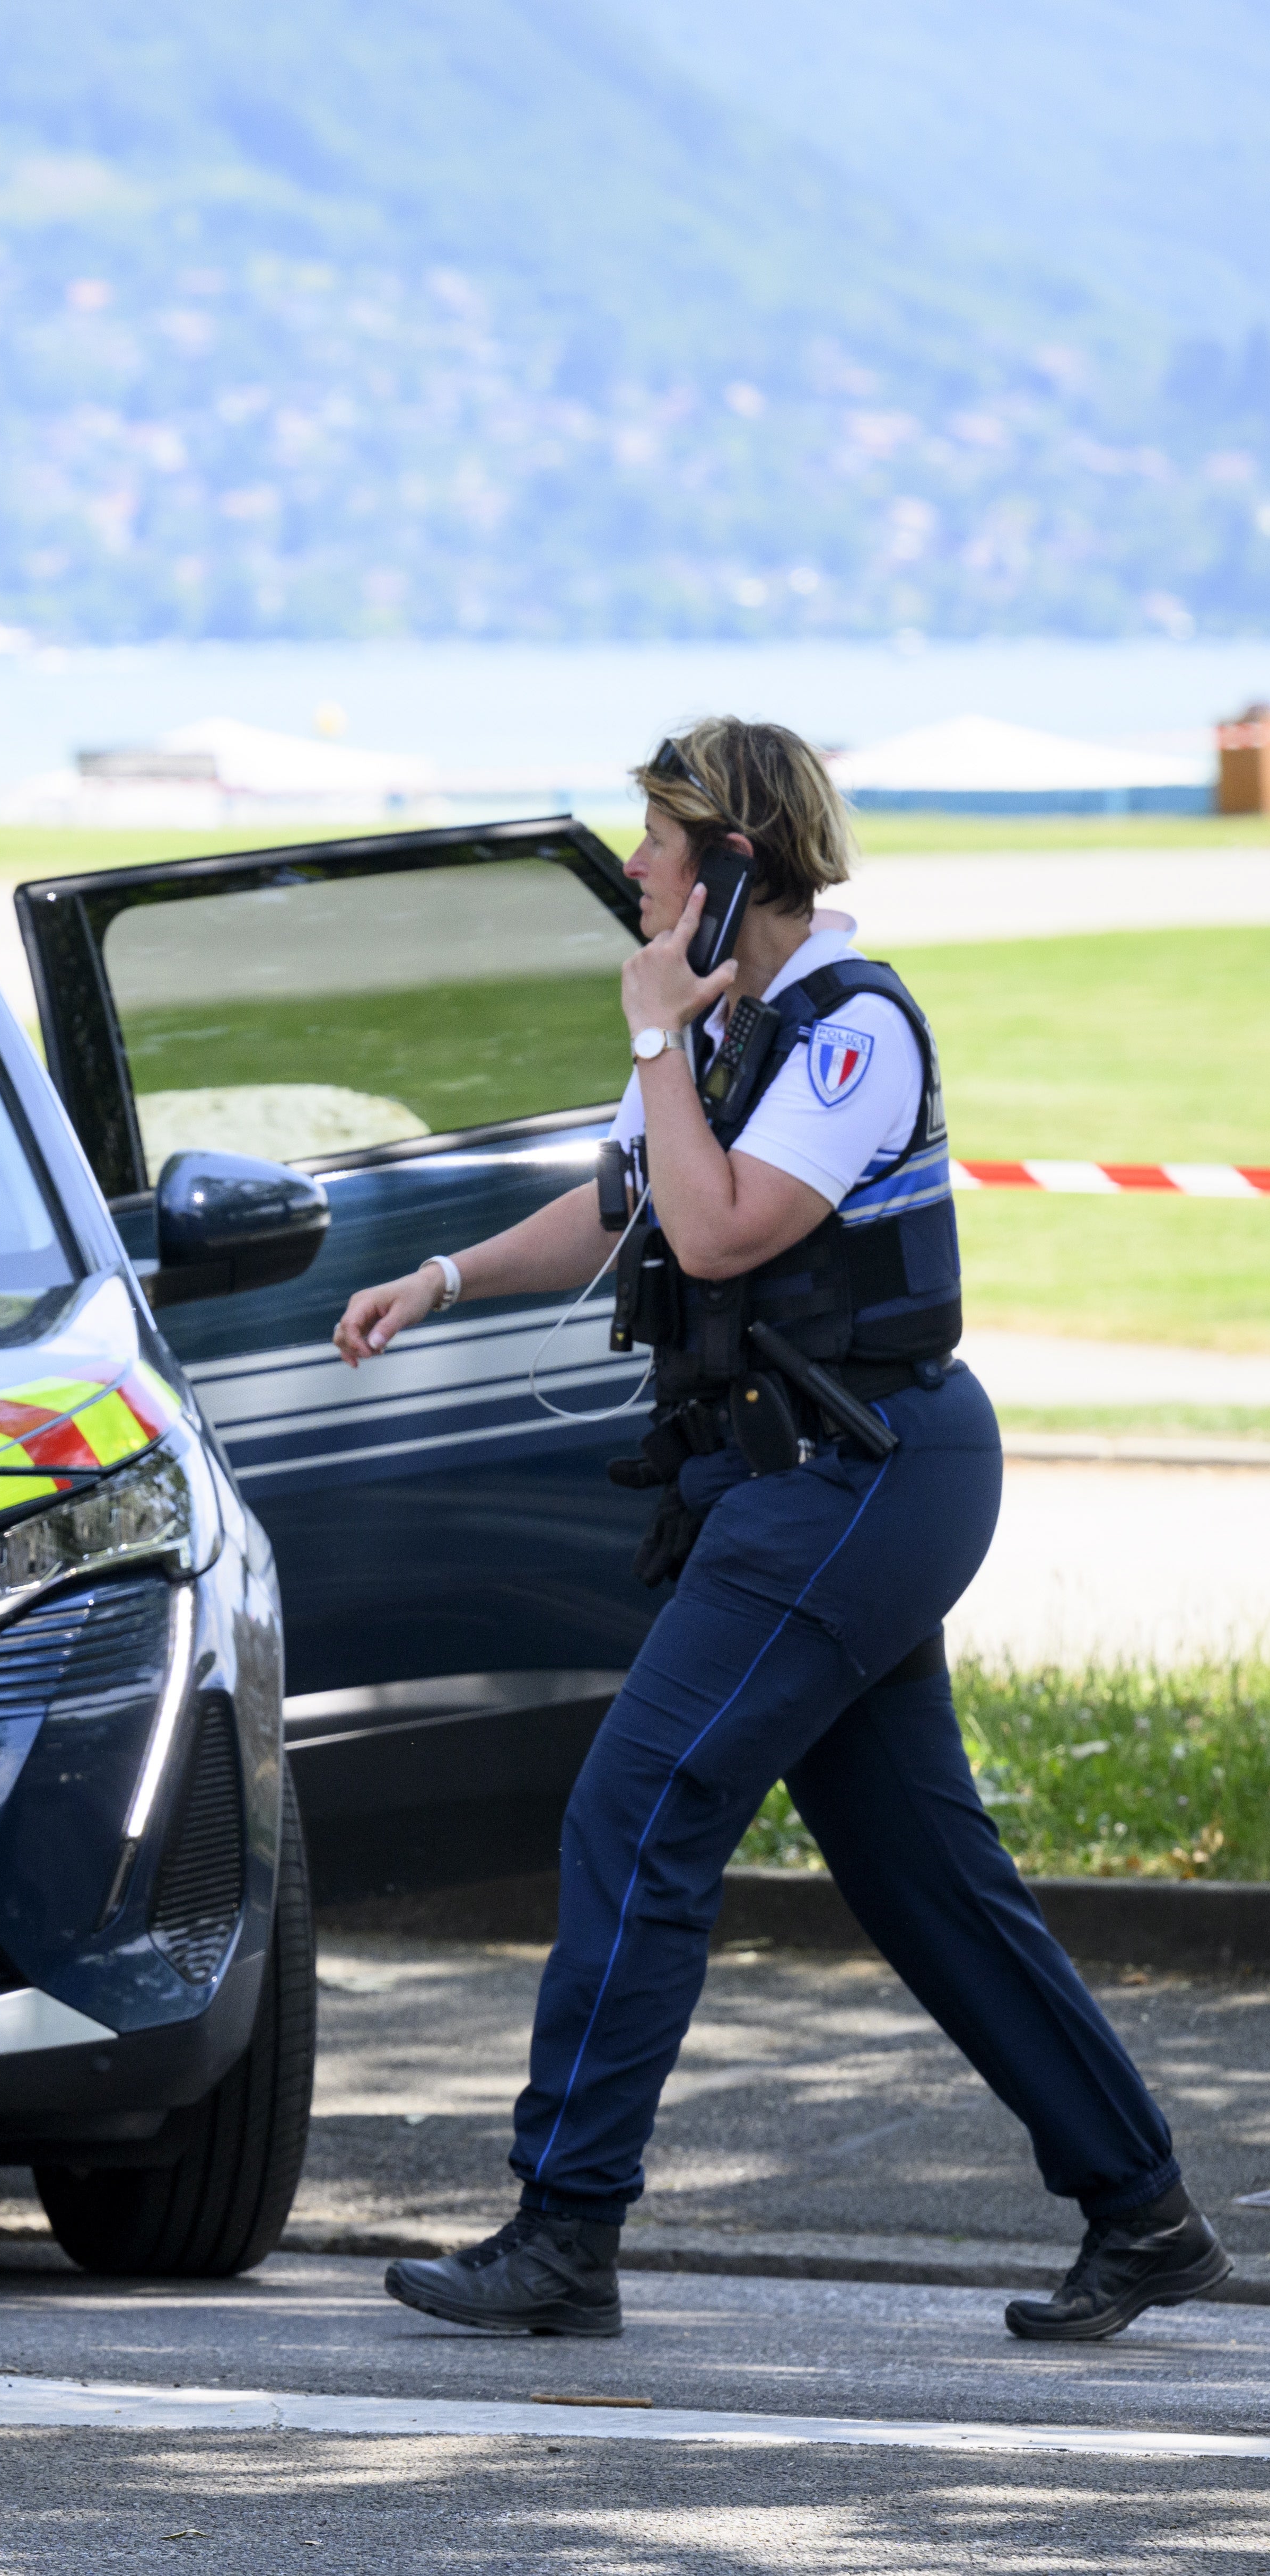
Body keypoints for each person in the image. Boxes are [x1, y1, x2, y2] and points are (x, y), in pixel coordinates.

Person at [334, 717, 1224, 2344]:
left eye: (659, 843)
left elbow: (726, 1228)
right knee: (920, 1870)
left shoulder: (844, 1031)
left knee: (641, 1801)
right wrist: (442, 1276)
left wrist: (658, 1039)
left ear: (736, 856)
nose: (634, 869)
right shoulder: (722, 1017)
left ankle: (565, 2227)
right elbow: (625, 1202)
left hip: (867, 1468)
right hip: (802, 1477)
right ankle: (1144, 2209)